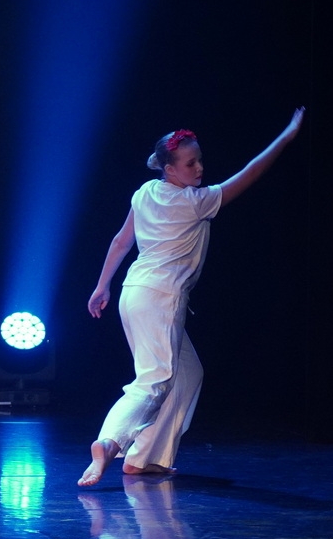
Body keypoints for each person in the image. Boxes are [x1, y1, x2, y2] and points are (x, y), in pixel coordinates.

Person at [78, 109, 305, 486]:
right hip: (160, 298)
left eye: (199, 160)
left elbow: (121, 241)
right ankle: (108, 443)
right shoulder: (195, 202)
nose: (199, 168)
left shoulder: (145, 192)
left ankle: (145, 457)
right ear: (169, 169)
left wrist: (102, 286)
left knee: (186, 374)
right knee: (154, 380)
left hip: (134, 293)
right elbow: (249, 173)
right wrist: (285, 137)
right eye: (190, 163)